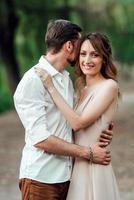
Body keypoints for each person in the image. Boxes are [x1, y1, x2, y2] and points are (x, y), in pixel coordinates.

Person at [14, 20, 113, 200]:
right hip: (41, 179)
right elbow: (40, 139)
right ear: (69, 45)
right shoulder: (33, 80)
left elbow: (70, 123)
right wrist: (87, 152)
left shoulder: (66, 80)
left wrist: (99, 131)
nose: (83, 55)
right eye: (80, 47)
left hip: (67, 177)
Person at [36, 32, 120, 200]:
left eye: (94, 55)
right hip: (76, 167)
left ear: (104, 58)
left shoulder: (109, 86)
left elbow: (77, 123)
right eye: (83, 53)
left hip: (94, 167)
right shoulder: (80, 89)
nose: (87, 60)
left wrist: (51, 87)